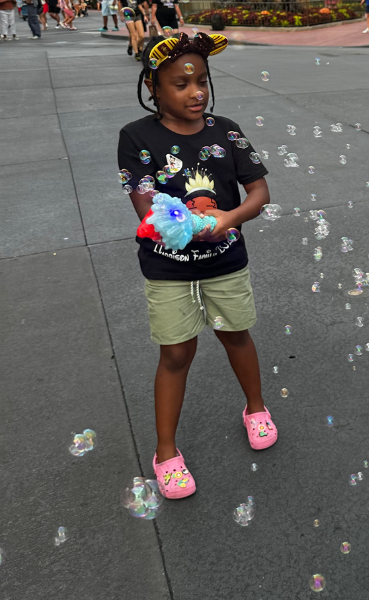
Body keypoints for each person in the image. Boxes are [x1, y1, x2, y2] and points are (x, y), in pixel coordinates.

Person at [117, 32, 278, 500]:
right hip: (167, 269)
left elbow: (260, 192)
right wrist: (184, 224)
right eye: (180, 84)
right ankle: (165, 452)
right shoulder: (136, 137)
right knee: (175, 353)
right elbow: (145, 206)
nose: (196, 92)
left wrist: (227, 218)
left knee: (235, 335)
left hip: (225, 260)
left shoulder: (225, 131)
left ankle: (256, 408)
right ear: (154, 87)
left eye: (202, 81)